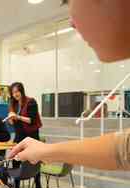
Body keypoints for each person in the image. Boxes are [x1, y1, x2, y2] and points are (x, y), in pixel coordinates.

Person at [7, 0, 130, 171]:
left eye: (69, 2)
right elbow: (123, 149)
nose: (72, 23)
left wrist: (47, 150)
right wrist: (46, 150)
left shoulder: (30, 102)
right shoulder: (14, 104)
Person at [7, 82, 42, 188]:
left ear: (22, 91)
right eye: (13, 93)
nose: (15, 94)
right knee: (16, 159)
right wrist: (11, 119)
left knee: (34, 160)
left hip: (31, 136)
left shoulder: (31, 102)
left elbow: (31, 120)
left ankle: (37, 184)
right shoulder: (14, 104)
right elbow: (13, 123)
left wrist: (17, 117)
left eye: (17, 91)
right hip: (19, 135)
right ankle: (16, 186)